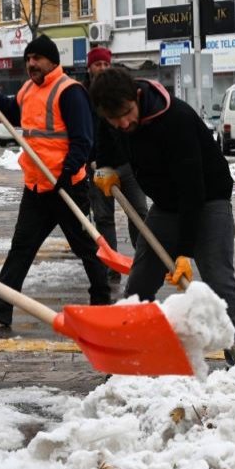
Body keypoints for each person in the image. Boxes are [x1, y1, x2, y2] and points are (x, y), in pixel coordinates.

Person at [89, 67, 235, 359]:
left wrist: (184, 252)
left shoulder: (175, 119)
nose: (124, 122)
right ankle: (126, 359)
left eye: (127, 112)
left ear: (136, 96)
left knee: (219, 280)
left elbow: (193, 190)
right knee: (140, 282)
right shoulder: (113, 119)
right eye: (114, 118)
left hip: (207, 201)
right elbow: (105, 134)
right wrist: (105, 166)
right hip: (165, 206)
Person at [0, 35, 112, 327]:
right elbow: (14, 112)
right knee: (22, 245)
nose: (31, 64)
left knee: (86, 248)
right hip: (37, 187)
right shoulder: (28, 89)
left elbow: (82, 140)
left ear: (52, 61)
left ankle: (102, 302)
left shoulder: (70, 91)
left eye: (37, 58)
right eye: (28, 59)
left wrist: (66, 174)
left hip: (67, 186)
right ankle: (3, 303)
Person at [86, 46, 148, 290]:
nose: (101, 68)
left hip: (126, 165)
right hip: (98, 167)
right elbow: (91, 132)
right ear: (90, 66)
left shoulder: (120, 91)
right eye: (97, 64)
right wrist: (96, 164)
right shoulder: (84, 93)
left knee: (139, 213)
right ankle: (111, 268)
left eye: (104, 64)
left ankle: (144, 262)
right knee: (103, 218)